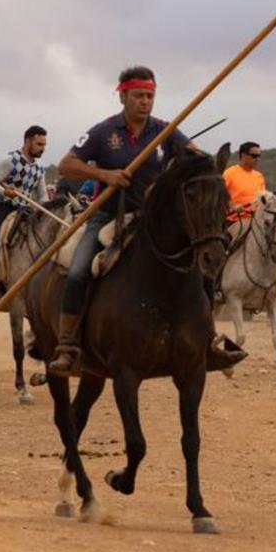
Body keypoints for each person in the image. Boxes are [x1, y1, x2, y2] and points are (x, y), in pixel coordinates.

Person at [47, 66, 199, 376]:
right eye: (139, 95)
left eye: (150, 96)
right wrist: (104, 175)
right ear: (123, 97)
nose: (146, 101)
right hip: (107, 214)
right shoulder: (104, 132)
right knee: (77, 271)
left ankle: (204, 337)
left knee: (200, 263)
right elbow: (66, 165)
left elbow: (197, 158)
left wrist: (187, 166)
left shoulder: (165, 131)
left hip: (153, 218)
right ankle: (66, 344)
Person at [0, 125, 48, 304]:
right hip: (2, 207)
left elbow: (42, 195)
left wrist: (45, 207)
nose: (42, 148)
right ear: (28, 141)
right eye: (39, 144)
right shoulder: (10, 161)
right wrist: (6, 192)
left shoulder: (39, 170)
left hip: (25, 210)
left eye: (44, 145)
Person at [223, 142, 276, 305]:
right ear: (243, 155)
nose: (258, 159)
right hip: (236, 220)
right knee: (224, 247)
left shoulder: (258, 176)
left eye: (259, 156)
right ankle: (216, 288)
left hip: (258, 221)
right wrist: (233, 206)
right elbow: (219, 196)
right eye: (254, 155)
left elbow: (264, 201)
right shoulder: (229, 173)